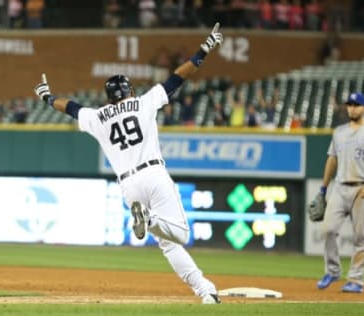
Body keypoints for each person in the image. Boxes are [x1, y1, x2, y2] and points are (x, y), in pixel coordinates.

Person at [34, 23, 224, 304]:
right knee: (180, 235)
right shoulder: (144, 102)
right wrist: (204, 49)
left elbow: (71, 107)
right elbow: (177, 77)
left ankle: (205, 291)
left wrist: (47, 97)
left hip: (129, 186)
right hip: (153, 173)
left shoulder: (99, 116)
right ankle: (150, 220)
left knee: (168, 244)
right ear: (130, 91)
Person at [316, 92, 364, 293]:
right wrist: (323, 189)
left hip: (362, 187)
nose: (352, 108)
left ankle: (356, 281)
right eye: (349, 104)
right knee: (328, 230)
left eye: (356, 105)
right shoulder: (339, 132)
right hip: (340, 187)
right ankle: (332, 270)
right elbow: (332, 159)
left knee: (360, 237)